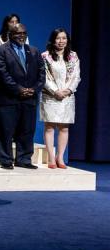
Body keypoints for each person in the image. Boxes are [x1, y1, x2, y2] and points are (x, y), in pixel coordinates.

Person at [0, 23, 45, 170]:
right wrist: (19, 89)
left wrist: (34, 90)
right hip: (8, 99)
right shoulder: (0, 51)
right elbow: (2, 73)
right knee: (6, 131)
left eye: (24, 33)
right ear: (10, 34)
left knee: (27, 130)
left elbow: (42, 74)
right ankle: (6, 159)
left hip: (29, 99)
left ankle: (24, 159)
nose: (21, 36)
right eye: (18, 33)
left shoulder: (34, 51)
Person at [40, 28, 80, 169]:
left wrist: (68, 90)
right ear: (53, 39)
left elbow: (76, 76)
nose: (61, 41)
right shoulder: (45, 56)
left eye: (64, 38)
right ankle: (51, 157)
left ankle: (60, 158)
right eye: (58, 38)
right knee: (49, 126)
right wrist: (55, 91)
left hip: (67, 97)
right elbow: (43, 77)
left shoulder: (73, 56)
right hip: (50, 96)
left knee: (64, 128)